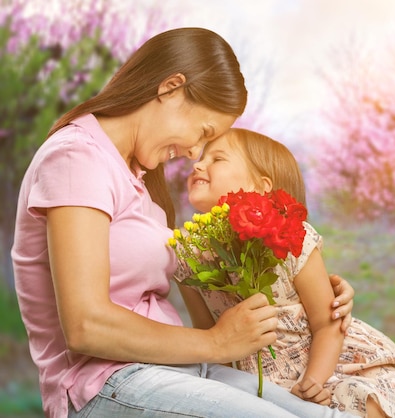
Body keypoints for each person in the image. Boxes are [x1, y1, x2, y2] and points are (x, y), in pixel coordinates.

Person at [11, 27, 357, 418]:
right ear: (170, 88)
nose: (194, 151)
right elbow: (86, 325)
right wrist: (217, 343)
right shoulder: (77, 158)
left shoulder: (135, 179)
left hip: (178, 368)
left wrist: (316, 290)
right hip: (106, 382)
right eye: (203, 132)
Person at [177, 128, 395, 418]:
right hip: (257, 381)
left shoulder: (291, 239)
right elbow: (207, 335)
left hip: (327, 364)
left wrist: (313, 382)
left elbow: (327, 324)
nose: (198, 165)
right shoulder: (189, 255)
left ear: (261, 186)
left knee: (365, 402)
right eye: (202, 158)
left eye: (217, 158)